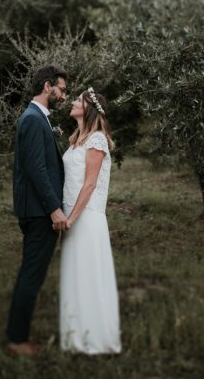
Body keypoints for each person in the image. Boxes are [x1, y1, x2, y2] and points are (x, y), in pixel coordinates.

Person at [6, 65, 70, 357]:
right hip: (38, 212)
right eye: (62, 89)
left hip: (37, 210)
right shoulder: (33, 119)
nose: (63, 95)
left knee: (31, 272)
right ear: (47, 86)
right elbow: (36, 169)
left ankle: (16, 336)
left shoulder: (38, 118)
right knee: (31, 274)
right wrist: (54, 209)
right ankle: (17, 341)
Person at [59, 87, 121, 354]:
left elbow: (90, 185)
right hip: (71, 218)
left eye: (78, 100)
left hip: (86, 218)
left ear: (89, 108)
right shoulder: (77, 140)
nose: (72, 102)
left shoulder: (96, 140)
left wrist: (71, 218)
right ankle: (75, 336)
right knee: (75, 274)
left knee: (88, 274)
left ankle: (94, 338)